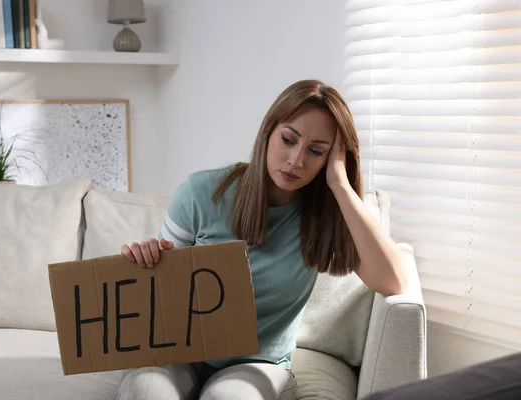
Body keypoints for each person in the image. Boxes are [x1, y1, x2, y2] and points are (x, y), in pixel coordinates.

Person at [119, 79, 407, 400]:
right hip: (179, 353)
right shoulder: (201, 193)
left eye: (315, 151)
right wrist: (147, 259)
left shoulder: (327, 215)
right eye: (288, 140)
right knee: (146, 389)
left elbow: (393, 282)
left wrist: (340, 183)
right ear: (268, 132)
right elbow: (160, 293)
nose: (296, 160)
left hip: (257, 362)